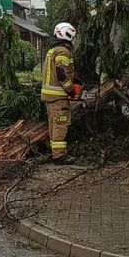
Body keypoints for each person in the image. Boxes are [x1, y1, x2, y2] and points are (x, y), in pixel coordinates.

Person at [41, 22, 80, 164]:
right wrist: (70, 90)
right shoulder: (63, 51)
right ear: (68, 34)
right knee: (60, 124)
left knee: (53, 124)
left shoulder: (53, 50)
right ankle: (59, 156)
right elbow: (61, 73)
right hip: (58, 96)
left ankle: (54, 152)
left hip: (50, 96)